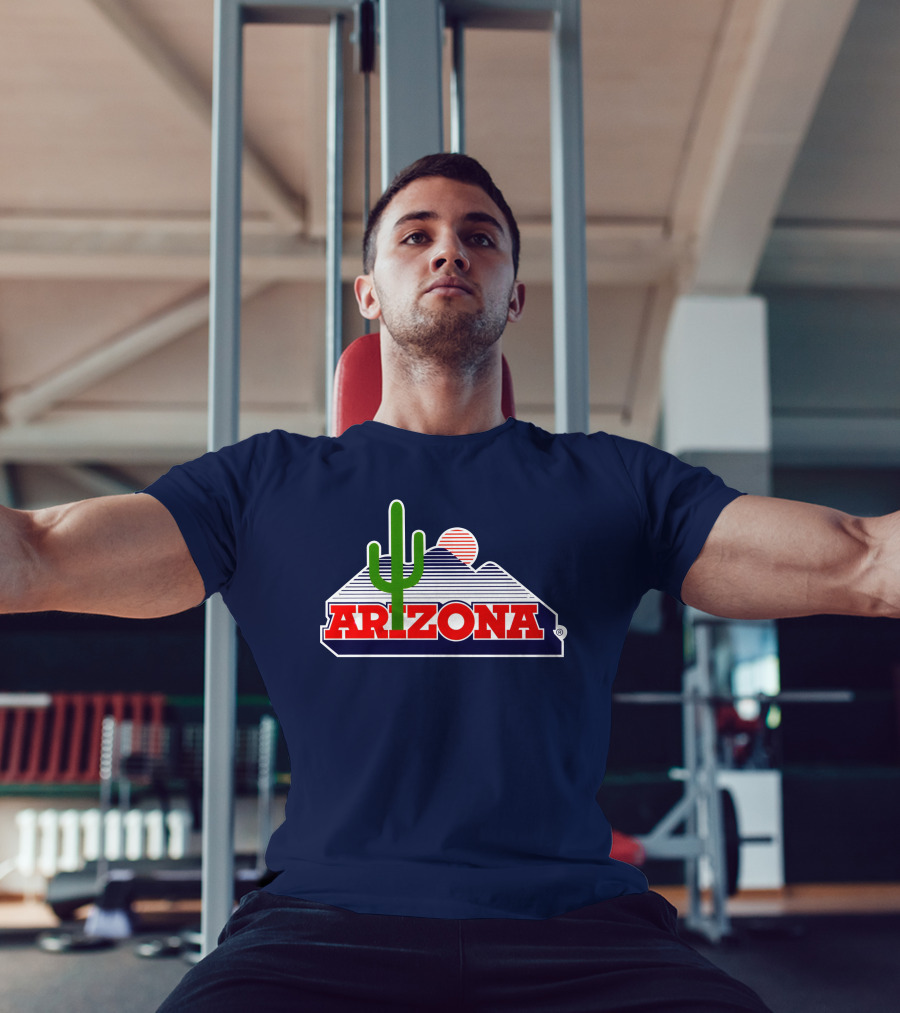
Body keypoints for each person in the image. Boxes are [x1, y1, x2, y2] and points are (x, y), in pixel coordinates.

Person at [3, 153, 898, 1012]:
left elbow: (860, 557)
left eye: (479, 236)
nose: (448, 249)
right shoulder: (262, 486)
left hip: (581, 925)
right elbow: (41, 553)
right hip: (322, 922)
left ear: (515, 295)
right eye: (415, 234)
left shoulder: (615, 484)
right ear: (368, 294)